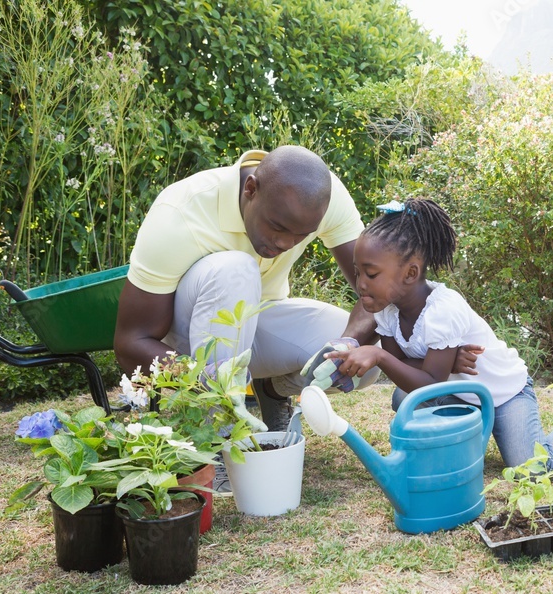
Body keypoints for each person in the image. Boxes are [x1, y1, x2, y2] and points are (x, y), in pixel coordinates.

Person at [113, 146, 382, 436]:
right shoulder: (181, 212)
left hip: (256, 328)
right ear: (250, 190)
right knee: (236, 269)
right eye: (277, 226)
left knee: (365, 356)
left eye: (301, 235)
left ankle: (272, 390)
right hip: (188, 344)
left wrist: (349, 343)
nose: (285, 243)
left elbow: (379, 291)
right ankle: (215, 436)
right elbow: (131, 343)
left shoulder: (322, 198)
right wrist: (202, 379)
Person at [321, 198, 553, 470]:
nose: (361, 284)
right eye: (357, 273)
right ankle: (466, 437)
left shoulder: (442, 310)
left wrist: (379, 355)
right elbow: (402, 368)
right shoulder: (387, 311)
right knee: (403, 398)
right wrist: (443, 363)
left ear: (410, 273)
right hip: (461, 396)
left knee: (530, 470)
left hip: (506, 395)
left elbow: (429, 381)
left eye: (371, 274)